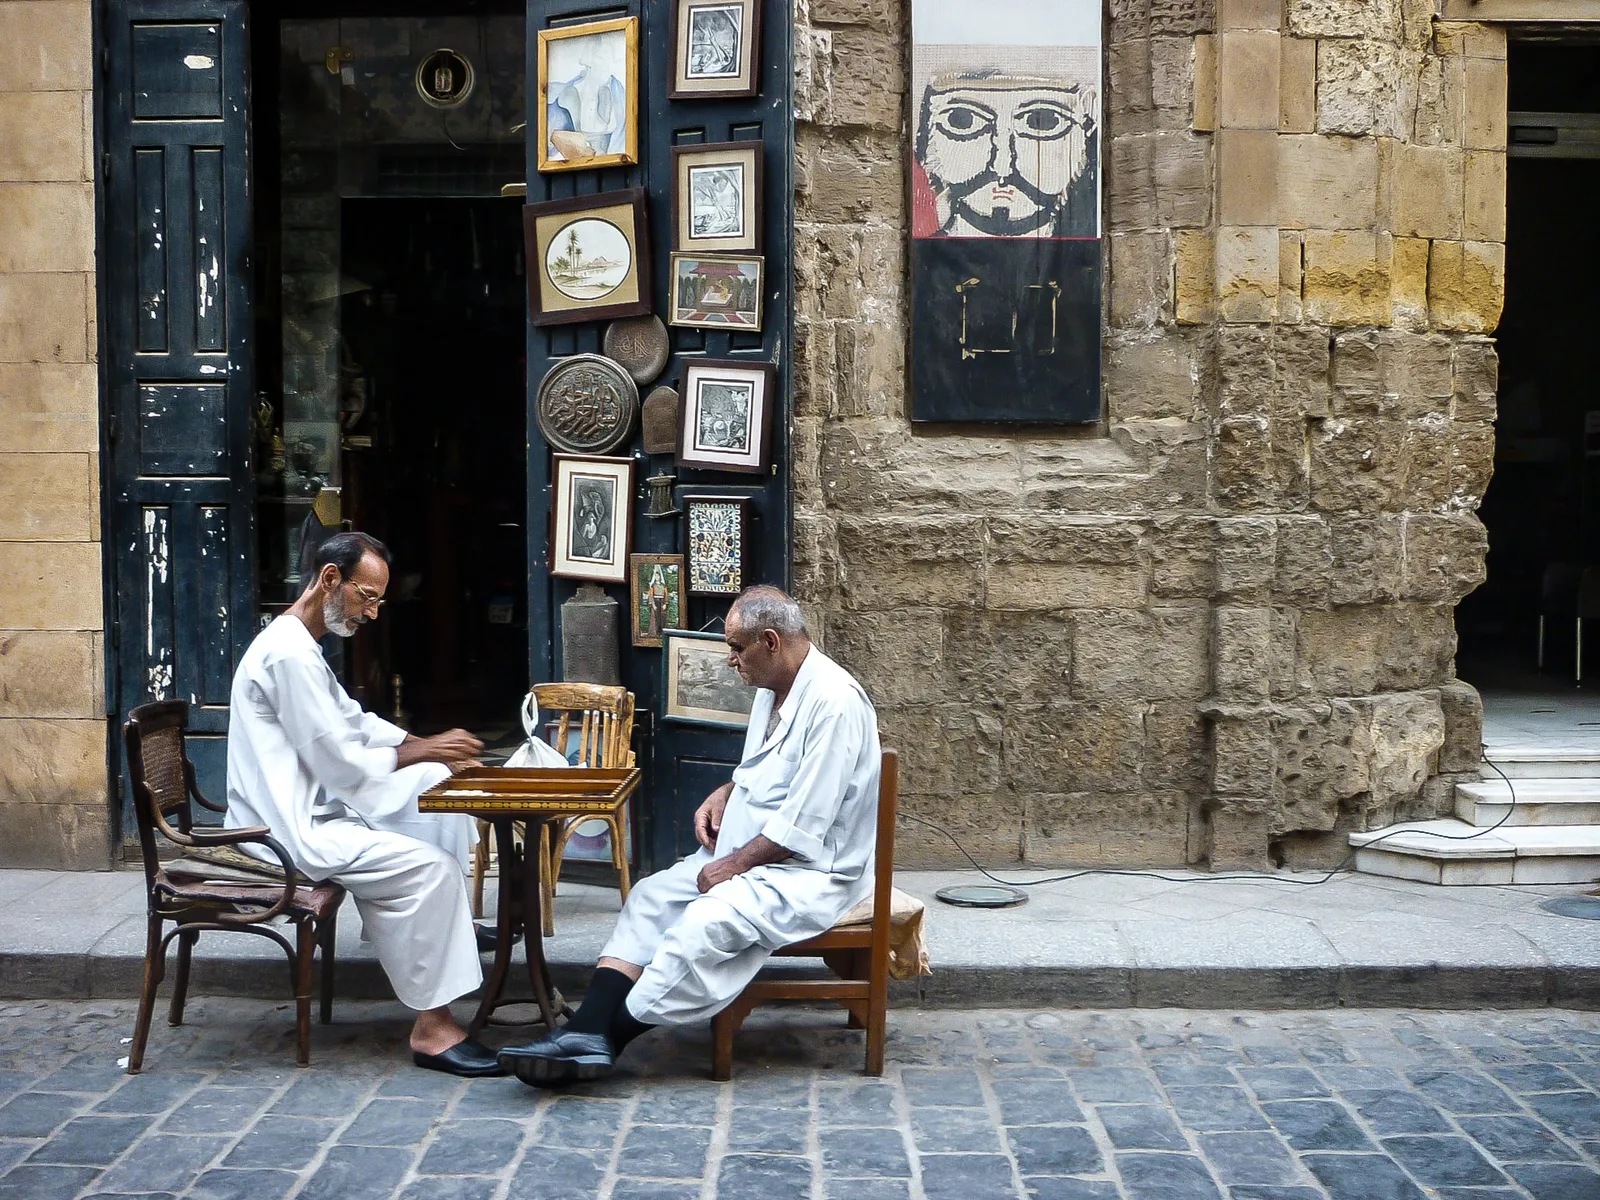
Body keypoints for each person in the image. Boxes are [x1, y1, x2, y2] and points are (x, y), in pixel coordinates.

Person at [498, 585, 881, 1085]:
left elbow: (802, 827)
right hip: (752, 853)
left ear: (771, 641)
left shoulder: (834, 704)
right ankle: (588, 1031)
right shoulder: (774, 688)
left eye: (736, 648)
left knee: (703, 923)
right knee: (652, 897)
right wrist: (728, 789)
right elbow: (770, 771)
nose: (729, 660)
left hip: (810, 873)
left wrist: (729, 866)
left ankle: (606, 1036)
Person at [225, 531, 502, 1077]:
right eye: (367, 597)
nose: (372, 613)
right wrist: (423, 747)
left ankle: (446, 928)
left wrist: (428, 751)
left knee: (430, 786)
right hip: (286, 828)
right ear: (330, 579)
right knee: (430, 870)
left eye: (377, 600)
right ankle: (434, 1027)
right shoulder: (288, 656)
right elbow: (340, 762)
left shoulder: (300, 644)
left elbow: (353, 722)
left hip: (314, 806)